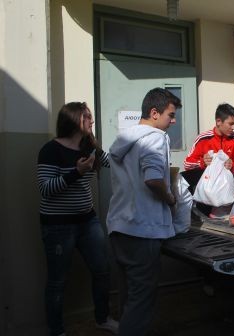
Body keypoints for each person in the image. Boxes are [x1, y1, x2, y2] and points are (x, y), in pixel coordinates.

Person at [37, 102, 118, 336]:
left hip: (87, 221)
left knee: (102, 271)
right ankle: (57, 330)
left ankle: (102, 319)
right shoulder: (50, 150)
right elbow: (45, 189)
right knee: (58, 281)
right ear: (74, 120)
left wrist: (129, 149)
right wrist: (77, 173)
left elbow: (111, 163)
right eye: (87, 118)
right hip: (58, 226)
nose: (92, 121)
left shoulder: (88, 146)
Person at [106, 88, 180, 336]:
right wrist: (170, 199)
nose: (174, 120)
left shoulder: (125, 139)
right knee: (141, 302)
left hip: (120, 229)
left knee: (128, 295)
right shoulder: (155, 137)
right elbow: (153, 179)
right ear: (154, 112)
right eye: (171, 114)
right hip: (142, 231)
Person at [183, 103, 234, 217]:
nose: (233, 128)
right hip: (206, 193)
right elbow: (187, 164)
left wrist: (232, 165)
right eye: (231, 124)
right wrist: (202, 162)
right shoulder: (203, 138)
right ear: (219, 121)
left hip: (228, 194)